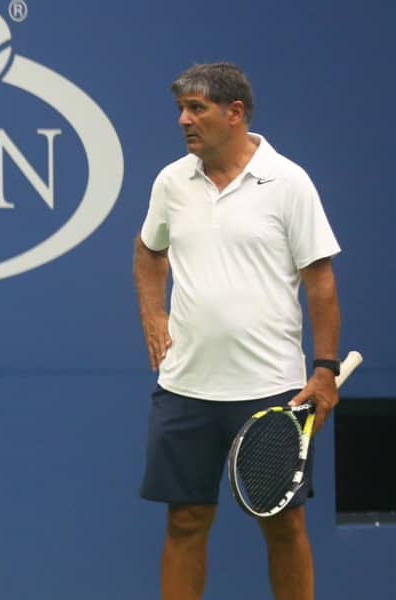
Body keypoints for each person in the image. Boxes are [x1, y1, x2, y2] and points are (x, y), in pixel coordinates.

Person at [134, 62, 342, 600]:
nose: (184, 120)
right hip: (186, 389)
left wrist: (324, 370)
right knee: (184, 522)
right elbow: (149, 250)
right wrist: (154, 314)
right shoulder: (170, 181)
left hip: (272, 389)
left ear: (235, 113)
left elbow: (319, 281)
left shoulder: (288, 181)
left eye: (196, 109)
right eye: (181, 109)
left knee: (283, 525)